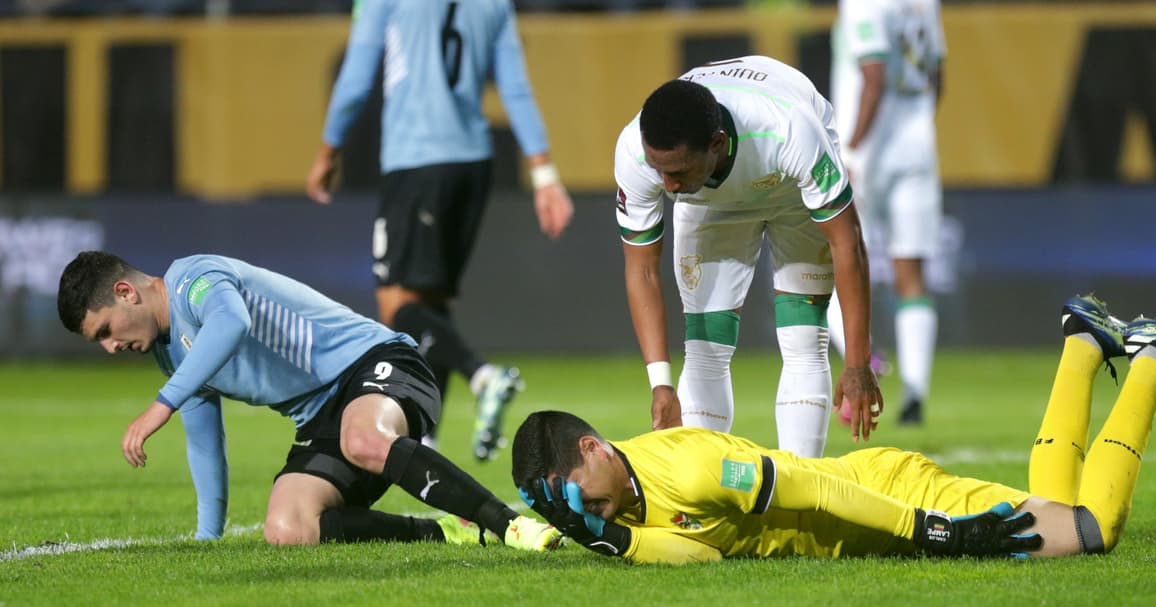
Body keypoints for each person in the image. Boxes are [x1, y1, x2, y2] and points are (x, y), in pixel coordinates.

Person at [510, 294, 1156, 564]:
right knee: (1053, 508)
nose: (578, 509)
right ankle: (1085, 343)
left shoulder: (694, 466)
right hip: (887, 517)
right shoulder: (621, 514)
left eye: (573, 492)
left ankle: (1153, 360)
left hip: (894, 495)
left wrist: (936, 530)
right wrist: (609, 539)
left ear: (592, 447)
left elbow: (811, 483)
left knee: (1092, 531)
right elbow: (699, 562)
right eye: (563, 508)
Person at [57, 250, 562, 551]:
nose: (110, 347)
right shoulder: (171, 358)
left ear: (126, 292)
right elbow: (207, 445)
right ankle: (450, 532)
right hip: (320, 416)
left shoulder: (195, 280)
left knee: (362, 436)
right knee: (287, 527)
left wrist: (158, 407)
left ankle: (509, 524)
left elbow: (231, 322)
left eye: (105, 331)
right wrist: (207, 540)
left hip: (377, 364)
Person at [306, 0, 574, 461]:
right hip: (473, 166)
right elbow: (514, 86)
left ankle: (481, 375)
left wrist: (329, 149)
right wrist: (544, 172)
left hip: (417, 162)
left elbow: (355, 78)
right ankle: (427, 438)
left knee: (398, 304)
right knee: (431, 305)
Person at [614, 55, 884, 459]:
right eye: (660, 171)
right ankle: (705, 500)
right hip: (709, 203)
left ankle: (801, 495)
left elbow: (847, 242)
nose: (668, 185)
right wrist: (660, 384)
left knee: (805, 338)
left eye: (678, 171)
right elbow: (642, 270)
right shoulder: (636, 152)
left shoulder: (789, 129)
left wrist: (859, 363)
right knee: (704, 346)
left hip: (791, 191)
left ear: (717, 144)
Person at [829, 0, 947, 426]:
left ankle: (865, 357)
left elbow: (872, 80)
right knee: (911, 273)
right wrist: (916, 126)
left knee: (830, 260)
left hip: (868, 152)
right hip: (917, 147)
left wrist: (852, 149)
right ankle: (915, 392)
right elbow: (937, 75)